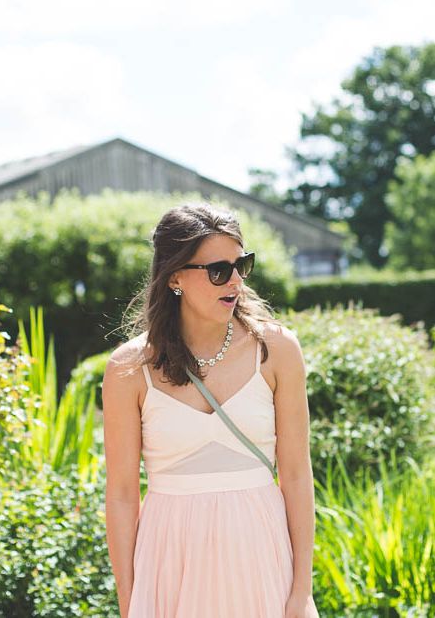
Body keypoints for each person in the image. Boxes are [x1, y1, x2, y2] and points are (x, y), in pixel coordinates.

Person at [103, 203, 318, 618]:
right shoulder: (129, 368)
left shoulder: (277, 349)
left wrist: (301, 589)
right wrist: (130, 602)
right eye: (219, 270)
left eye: (242, 265)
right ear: (175, 277)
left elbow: (295, 474)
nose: (235, 280)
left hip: (260, 549)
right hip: (169, 557)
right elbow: (123, 496)